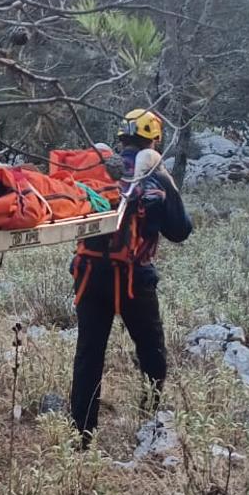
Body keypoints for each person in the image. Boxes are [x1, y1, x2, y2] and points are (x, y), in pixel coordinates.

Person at [69, 108, 192, 449]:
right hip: (133, 279)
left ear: (121, 137)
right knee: (151, 350)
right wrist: (168, 180)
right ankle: (151, 419)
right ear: (154, 140)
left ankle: (81, 437)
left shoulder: (96, 174)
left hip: (88, 275)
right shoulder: (152, 178)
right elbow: (180, 231)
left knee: (89, 355)